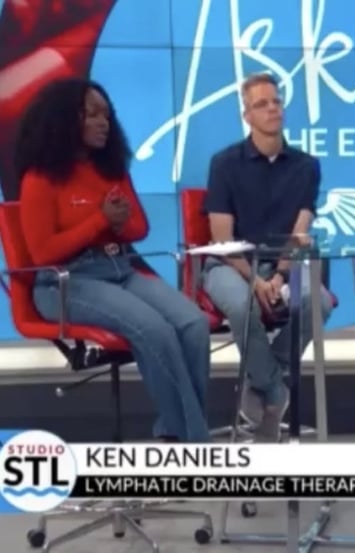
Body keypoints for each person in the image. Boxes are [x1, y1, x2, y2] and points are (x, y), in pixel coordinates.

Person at [16, 78, 211, 442]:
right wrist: (99, 221)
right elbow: (42, 253)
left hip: (119, 269)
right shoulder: (40, 178)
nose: (103, 123)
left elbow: (139, 227)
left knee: (194, 323)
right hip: (66, 282)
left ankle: (175, 432)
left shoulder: (111, 169)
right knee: (155, 330)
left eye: (107, 115)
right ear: (65, 119)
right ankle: (196, 443)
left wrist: (116, 223)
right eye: (92, 115)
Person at [202, 73, 334, 440]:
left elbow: (300, 233)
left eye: (276, 101)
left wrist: (279, 275)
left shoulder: (306, 166)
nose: (273, 108)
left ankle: (261, 377)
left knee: (319, 302)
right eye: (262, 104)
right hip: (230, 265)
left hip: (283, 265)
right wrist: (256, 281)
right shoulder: (224, 163)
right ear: (247, 116)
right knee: (243, 307)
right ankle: (275, 390)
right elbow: (222, 239)